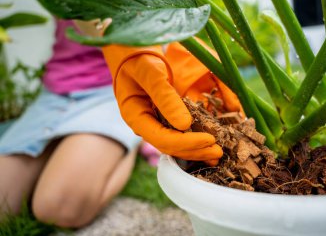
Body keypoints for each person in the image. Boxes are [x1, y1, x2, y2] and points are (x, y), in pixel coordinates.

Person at [0, 17, 241, 228]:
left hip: (118, 86)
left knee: (57, 208)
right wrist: (116, 36)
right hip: (57, 90)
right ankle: (73, 143)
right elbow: (75, 1)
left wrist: (182, 45)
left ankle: (131, 139)